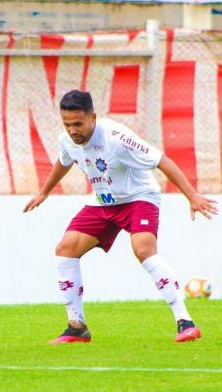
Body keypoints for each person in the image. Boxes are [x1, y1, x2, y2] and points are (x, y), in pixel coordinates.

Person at [23, 89, 218, 344]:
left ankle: (186, 322)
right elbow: (64, 160)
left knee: (143, 249)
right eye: (67, 124)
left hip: (139, 197)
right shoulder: (67, 139)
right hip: (104, 201)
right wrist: (44, 192)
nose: (72, 130)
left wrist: (192, 196)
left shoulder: (117, 137)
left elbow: (162, 160)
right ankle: (76, 327)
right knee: (66, 249)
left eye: (78, 124)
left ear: (93, 117)